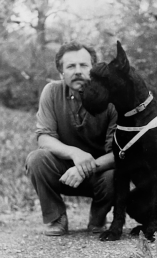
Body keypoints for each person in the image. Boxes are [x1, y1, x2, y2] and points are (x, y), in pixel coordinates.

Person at [25, 41, 117, 236]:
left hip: (100, 174)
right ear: (61, 73)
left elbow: (118, 154)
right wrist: (75, 153)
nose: (77, 71)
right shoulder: (51, 92)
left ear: (94, 70)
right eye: (70, 66)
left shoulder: (112, 100)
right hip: (63, 173)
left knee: (116, 174)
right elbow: (44, 137)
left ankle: (98, 217)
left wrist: (84, 169)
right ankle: (56, 217)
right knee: (36, 159)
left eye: (83, 65)